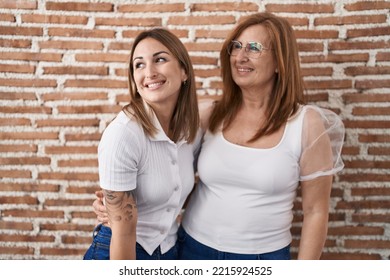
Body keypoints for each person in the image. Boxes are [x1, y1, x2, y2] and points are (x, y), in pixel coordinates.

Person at [93, 12, 345, 260]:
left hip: (261, 258)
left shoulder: (307, 124)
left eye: (254, 48)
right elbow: (168, 172)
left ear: (280, 62)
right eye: (236, 47)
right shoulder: (208, 115)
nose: (240, 56)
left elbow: (315, 211)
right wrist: (116, 205)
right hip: (191, 248)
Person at [83, 28, 200, 260]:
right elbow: (123, 235)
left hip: (170, 249)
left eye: (160, 59)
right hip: (122, 249)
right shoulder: (123, 134)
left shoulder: (190, 129)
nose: (149, 72)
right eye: (139, 64)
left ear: (184, 71)